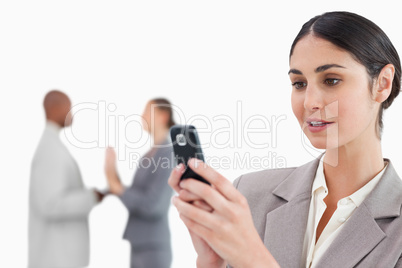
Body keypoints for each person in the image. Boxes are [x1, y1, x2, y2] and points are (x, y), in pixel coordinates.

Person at [168, 11, 402, 268]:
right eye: (299, 83)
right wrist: (212, 263)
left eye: (331, 80)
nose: (310, 102)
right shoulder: (250, 194)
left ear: (383, 83)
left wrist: (253, 259)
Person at [28, 90, 105, 268]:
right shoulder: (50, 150)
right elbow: (50, 204)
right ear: (55, 109)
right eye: (68, 107)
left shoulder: (52, 146)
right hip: (55, 260)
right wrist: (91, 197)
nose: (72, 113)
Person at [105, 98, 175, 268]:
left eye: (147, 111)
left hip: (153, 248)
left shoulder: (169, 154)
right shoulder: (148, 155)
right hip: (139, 245)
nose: (141, 116)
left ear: (163, 116)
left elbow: (153, 205)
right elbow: (135, 196)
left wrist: (118, 188)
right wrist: (112, 175)